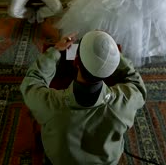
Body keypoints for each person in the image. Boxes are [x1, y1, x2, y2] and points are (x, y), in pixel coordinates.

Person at [20, 30, 146, 165]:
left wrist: (55, 50)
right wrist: (109, 53)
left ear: (76, 61)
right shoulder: (125, 103)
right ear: (111, 70)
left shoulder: (50, 104)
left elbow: (31, 82)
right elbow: (136, 83)